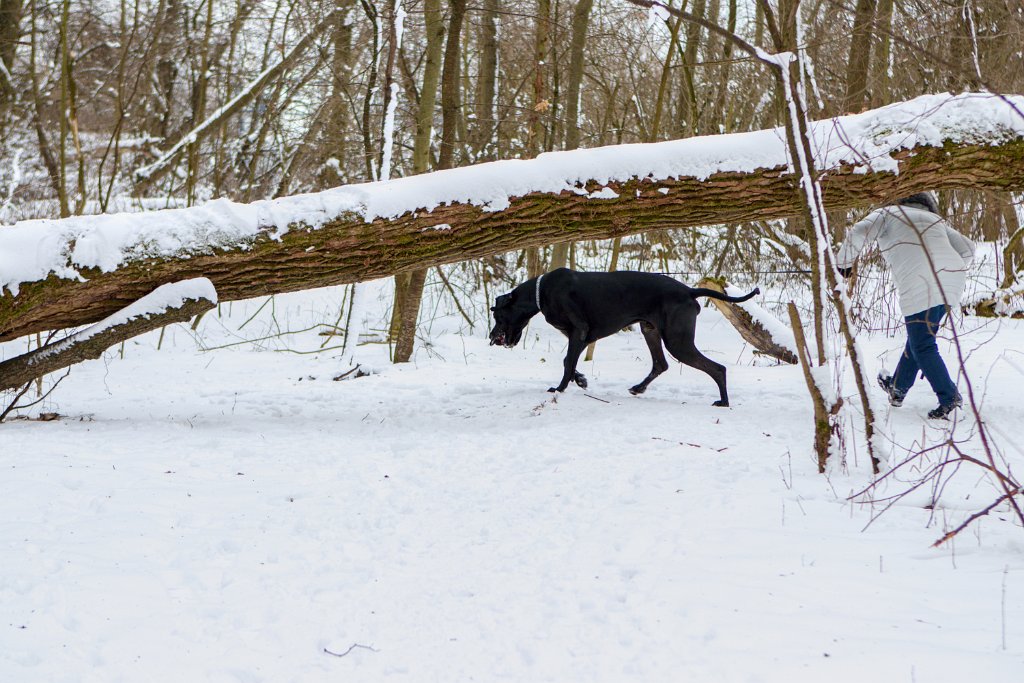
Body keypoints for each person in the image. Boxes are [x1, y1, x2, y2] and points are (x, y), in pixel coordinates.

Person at [836, 192, 976, 419]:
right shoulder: (936, 221)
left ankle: (949, 396)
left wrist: (843, 265)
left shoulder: (888, 213)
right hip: (952, 282)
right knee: (919, 339)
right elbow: (968, 249)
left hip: (920, 281)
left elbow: (860, 231)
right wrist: (949, 269)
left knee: (923, 346)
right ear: (927, 206)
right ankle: (897, 388)